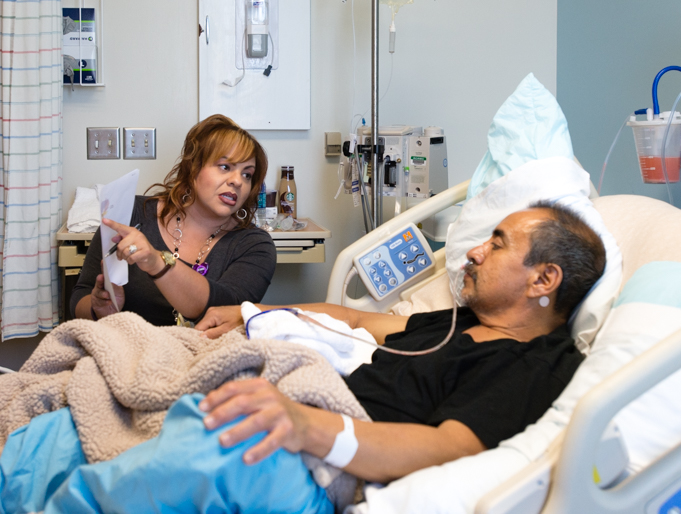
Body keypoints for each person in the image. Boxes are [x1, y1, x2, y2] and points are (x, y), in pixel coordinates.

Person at [7, 201, 605, 513]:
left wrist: (305, 425)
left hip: (316, 458)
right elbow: (359, 319)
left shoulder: (536, 364)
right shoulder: (452, 323)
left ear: (543, 278)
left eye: (498, 243)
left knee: (206, 451)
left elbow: (451, 447)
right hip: (285, 401)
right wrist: (247, 317)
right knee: (73, 425)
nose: (473, 251)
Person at [70, 115, 277, 326]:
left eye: (247, 175)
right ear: (194, 168)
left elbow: (227, 309)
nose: (237, 181)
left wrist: (157, 263)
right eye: (225, 167)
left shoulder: (255, 245)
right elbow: (80, 298)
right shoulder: (131, 213)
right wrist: (99, 309)